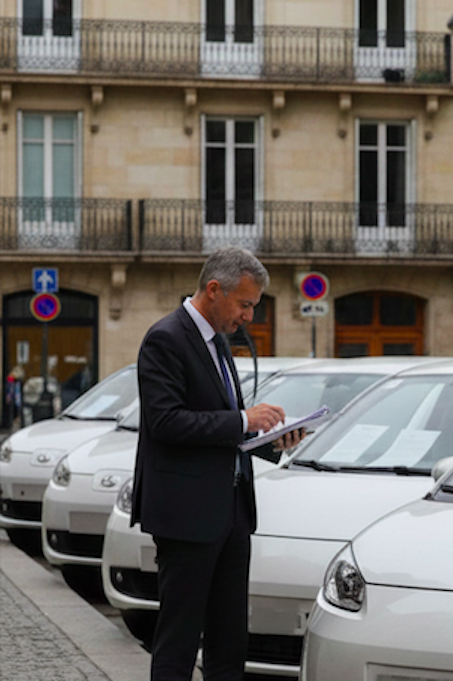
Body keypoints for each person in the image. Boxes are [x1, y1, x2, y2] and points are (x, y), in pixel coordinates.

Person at [130, 246, 304, 680]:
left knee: (230, 639)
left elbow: (223, 431)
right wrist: (245, 418)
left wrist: (270, 441)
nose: (249, 316)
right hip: (187, 517)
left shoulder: (217, 342)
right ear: (213, 290)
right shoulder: (165, 338)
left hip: (231, 514)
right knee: (179, 639)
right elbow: (166, 421)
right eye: (244, 304)